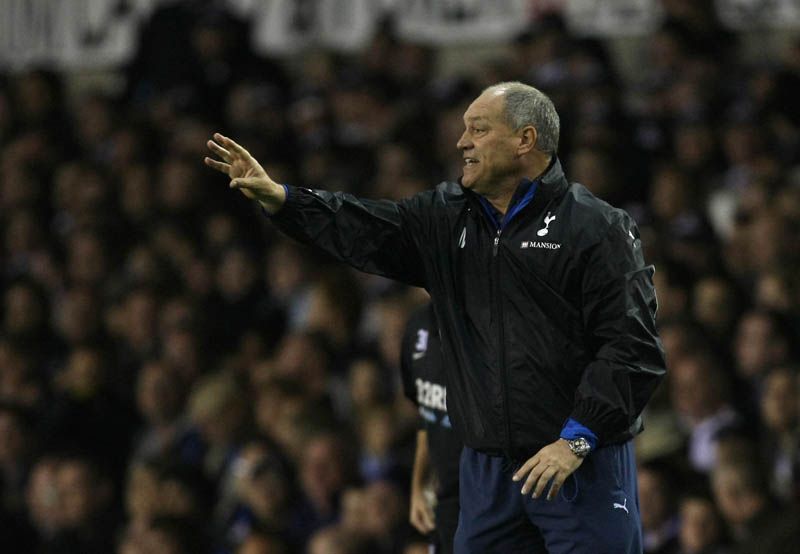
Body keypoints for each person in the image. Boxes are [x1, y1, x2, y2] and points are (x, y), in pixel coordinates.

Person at [205, 81, 666, 553]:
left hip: (578, 465)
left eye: (478, 129)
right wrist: (283, 199)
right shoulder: (446, 219)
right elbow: (362, 225)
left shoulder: (597, 228)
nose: (462, 142)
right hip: (488, 474)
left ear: (525, 140)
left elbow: (633, 350)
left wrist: (577, 441)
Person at [401, 303, 461, 553]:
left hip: (484, 493)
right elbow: (426, 416)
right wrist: (417, 486)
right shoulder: (417, 326)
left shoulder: (485, 323)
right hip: (442, 498)